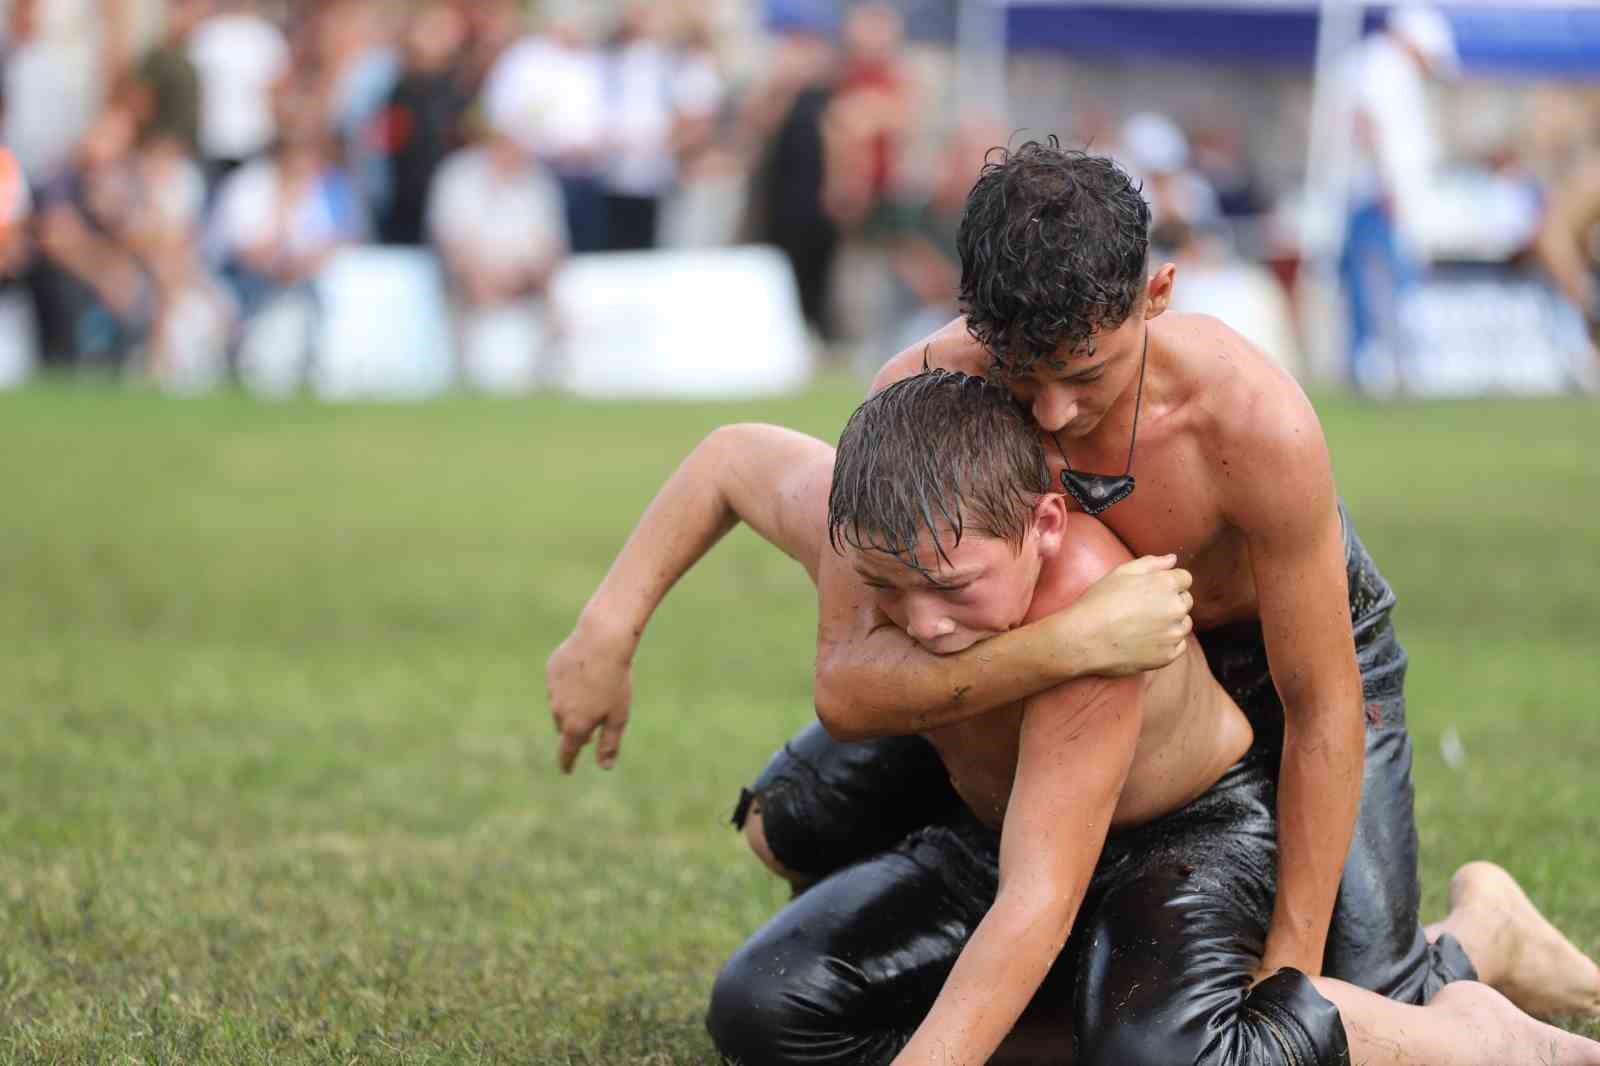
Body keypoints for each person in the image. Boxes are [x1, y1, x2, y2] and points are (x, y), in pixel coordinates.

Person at [549, 140, 1600, 1028]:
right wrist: (606, 623)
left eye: (1086, 375)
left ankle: (1474, 936)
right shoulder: (932, 396)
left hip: (1275, 655)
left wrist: (1293, 979)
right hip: (1061, 663)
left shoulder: (1251, 425)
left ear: (1157, 295)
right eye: (1022, 374)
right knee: (794, 814)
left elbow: (1322, 703)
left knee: (1354, 989)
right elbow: (850, 665)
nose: (1049, 415)